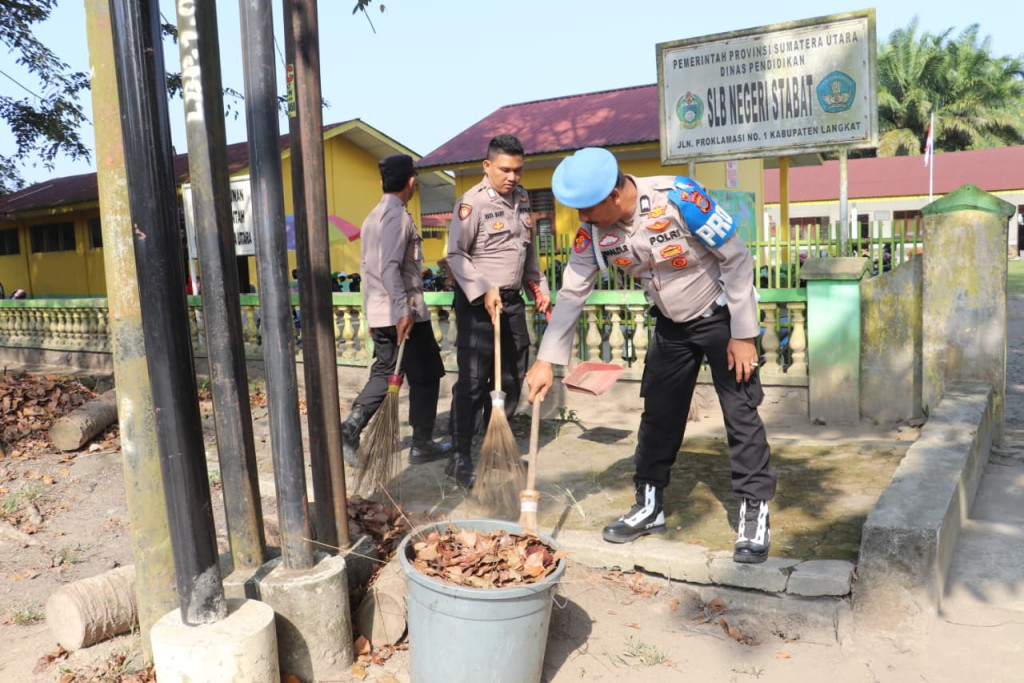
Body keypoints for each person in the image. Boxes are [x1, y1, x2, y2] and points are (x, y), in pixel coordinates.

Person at [525, 147, 776, 564]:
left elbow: (736, 258)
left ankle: (755, 511)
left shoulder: (680, 198)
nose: (583, 219)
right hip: (670, 324)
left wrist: (744, 334)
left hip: (720, 317)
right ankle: (649, 505)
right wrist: (546, 360)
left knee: (741, 411)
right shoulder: (593, 232)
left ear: (613, 195)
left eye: (588, 209)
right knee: (659, 414)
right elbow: (571, 293)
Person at [445, 134, 551, 486]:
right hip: (478, 304)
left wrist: (539, 285)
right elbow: (455, 255)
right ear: (487, 166)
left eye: (518, 170)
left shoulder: (522, 199)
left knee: (511, 376)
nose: (513, 177)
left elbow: (526, 250)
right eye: (505, 169)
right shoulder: (471, 203)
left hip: (512, 301)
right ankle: (460, 455)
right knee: (474, 382)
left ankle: (497, 447)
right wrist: (482, 289)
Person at [341, 154, 453, 468]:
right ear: (411, 183)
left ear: (381, 182)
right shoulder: (398, 218)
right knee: (427, 376)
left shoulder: (372, 216)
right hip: (405, 312)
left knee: (384, 371)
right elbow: (390, 267)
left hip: (380, 312)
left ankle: (350, 427)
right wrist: (404, 311)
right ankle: (421, 444)